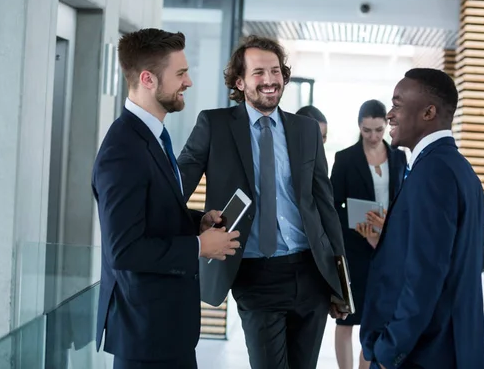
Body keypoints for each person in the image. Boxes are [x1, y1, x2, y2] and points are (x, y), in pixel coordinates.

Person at [177, 35, 347, 369]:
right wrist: (199, 221)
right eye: (258, 73)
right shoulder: (214, 125)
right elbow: (174, 190)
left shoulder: (307, 130)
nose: (269, 80)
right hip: (256, 275)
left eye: (275, 71)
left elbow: (324, 205)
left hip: (310, 273)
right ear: (239, 81)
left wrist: (341, 282)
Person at [91, 28, 241, 369]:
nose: (188, 82)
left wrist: (196, 221)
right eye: (180, 74)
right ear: (147, 79)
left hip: (165, 330)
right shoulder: (123, 151)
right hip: (145, 336)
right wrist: (201, 247)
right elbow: (125, 250)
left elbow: (151, 215)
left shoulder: (152, 136)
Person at [360, 68, 484, 368]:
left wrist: (389, 351)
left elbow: (423, 278)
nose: (390, 114)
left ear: (429, 112)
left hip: (427, 354)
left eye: (398, 104)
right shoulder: (459, 169)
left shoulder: (434, 173)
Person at [330, 99, 407, 369]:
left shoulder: (399, 157)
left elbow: (402, 199)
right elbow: (332, 205)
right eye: (367, 130)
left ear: (386, 125)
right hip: (354, 249)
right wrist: (356, 225)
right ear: (359, 127)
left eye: (378, 129)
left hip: (386, 247)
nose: (373, 136)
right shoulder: (345, 158)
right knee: (348, 318)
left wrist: (387, 227)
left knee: (377, 319)